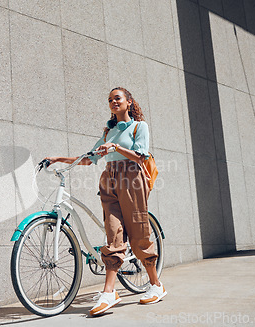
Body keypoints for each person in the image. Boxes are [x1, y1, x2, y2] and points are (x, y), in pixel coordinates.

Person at [45, 87, 166, 316]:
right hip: (109, 179)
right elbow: (89, 159)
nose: (113, 102)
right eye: (110, 100)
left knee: (139, 234)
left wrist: (116, 147)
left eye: (117, 98)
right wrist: (58, 158)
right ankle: (109, 293)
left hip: (132, 178)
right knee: (113, 233)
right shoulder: (108, 132)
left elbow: (142, 155)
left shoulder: (139, 127)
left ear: (129, 102)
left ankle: (155, 285)